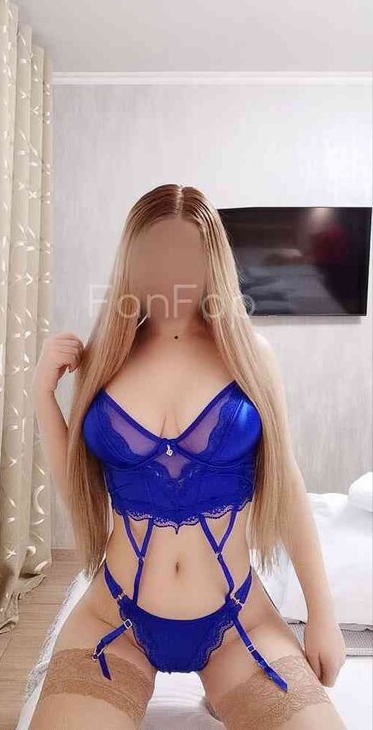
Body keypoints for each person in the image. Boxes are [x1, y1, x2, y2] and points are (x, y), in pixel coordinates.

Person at [29, 184, 347, 729]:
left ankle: (223, 690)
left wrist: (323, 615)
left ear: (213, 261)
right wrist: (41, 393)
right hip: (116, 621)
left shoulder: (250, 357)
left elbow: (288, 484)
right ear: (132, 260)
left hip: (238, 624)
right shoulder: (104, 357)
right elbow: (79, 485)